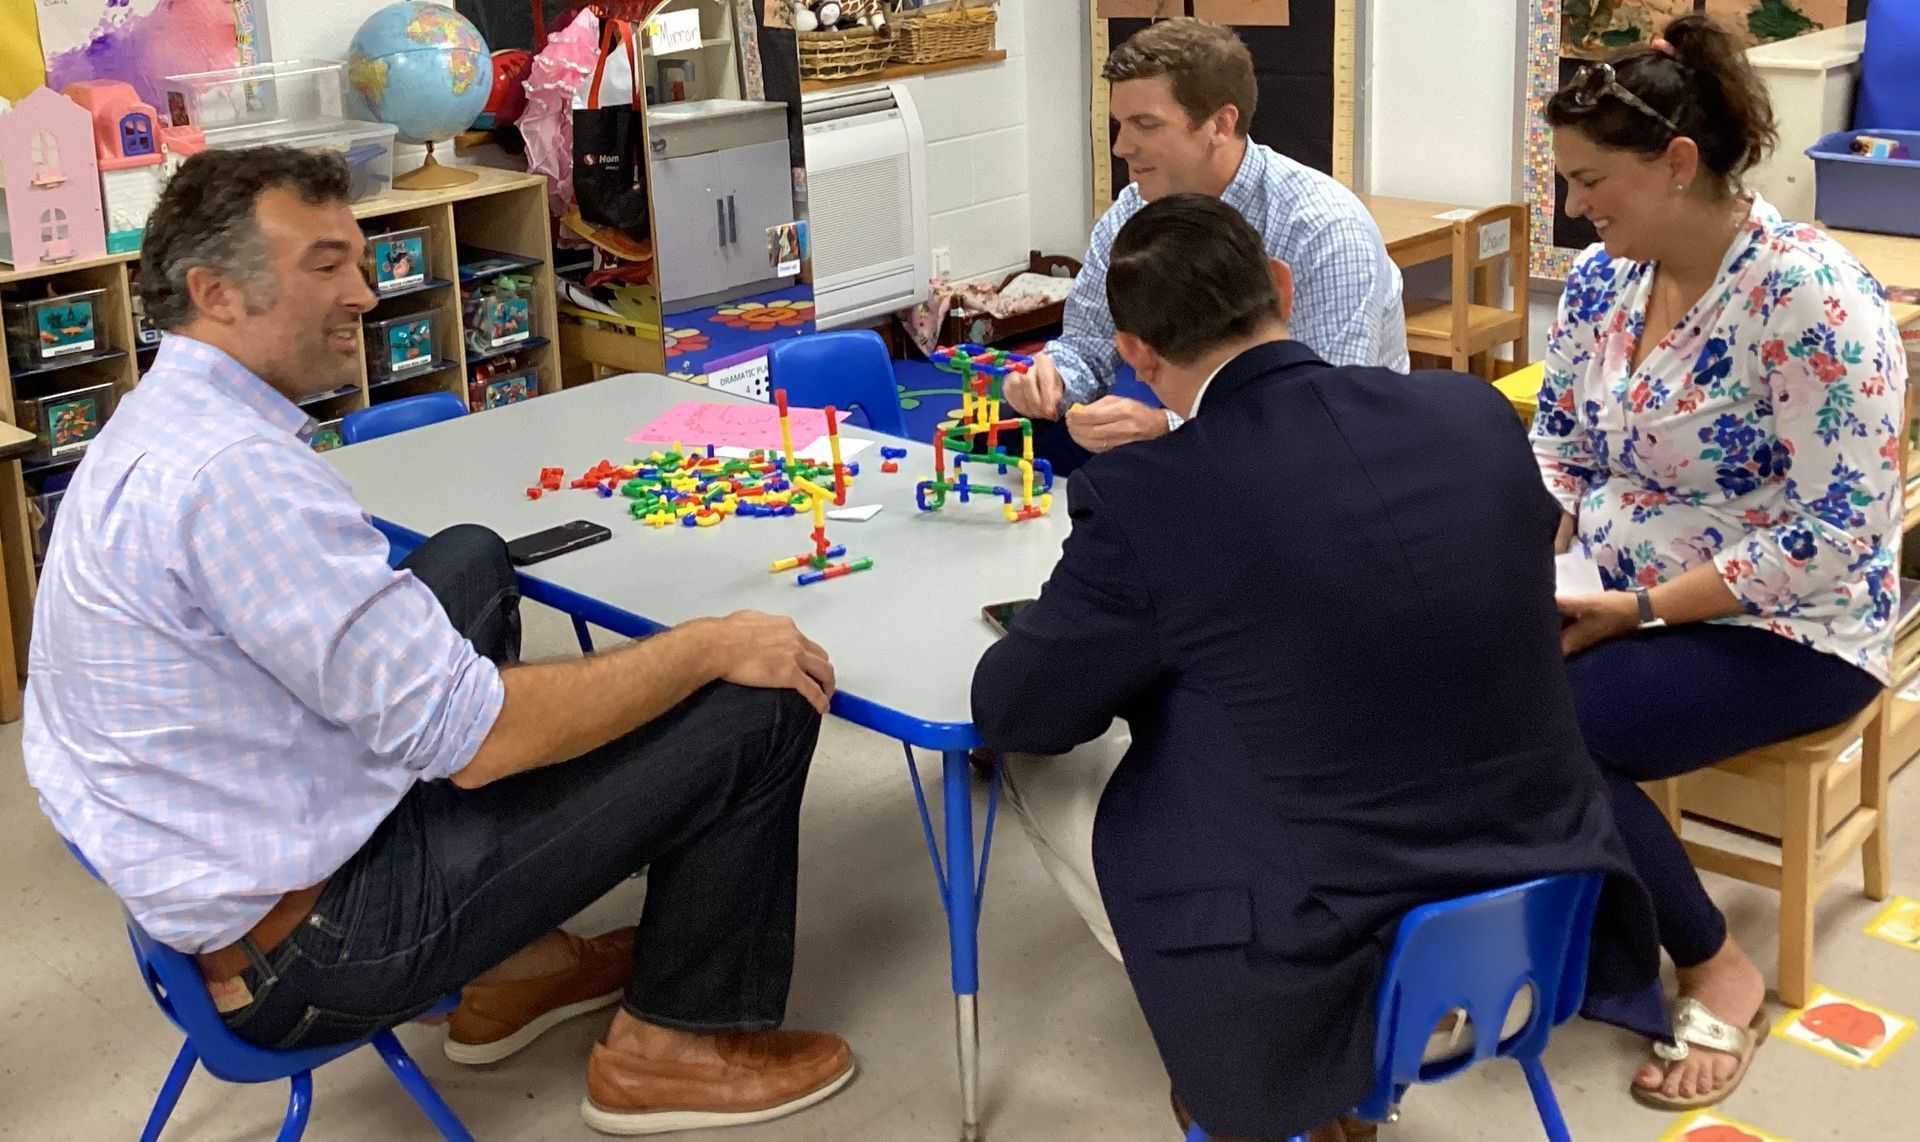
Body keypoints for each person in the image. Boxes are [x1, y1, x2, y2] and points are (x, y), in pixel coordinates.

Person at [24, 147, 856, 1137]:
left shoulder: (157, 420)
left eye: (361, 262)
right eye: (327, 265)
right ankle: (675, 1043)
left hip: (216, 877)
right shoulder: (235, 479)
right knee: (755, 695)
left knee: (466, 558)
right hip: (316, 947)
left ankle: (513, 967)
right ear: (216, 293)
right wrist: (702, 644)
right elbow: (483, 737)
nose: (367, 294)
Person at [973, 193, 1664, 1141]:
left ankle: (1246, 1055)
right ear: (1282, 292)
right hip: (1545, 894)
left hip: (1319, 944)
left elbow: (1020, 714)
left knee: (1051, 769)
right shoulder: (1472, 414)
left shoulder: (1148, 495)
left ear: (1132, 352)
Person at [1537, 15, 1905, 1112]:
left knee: (1554, 723)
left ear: (1680, 164)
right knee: (1459, 670)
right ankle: (1540, 921)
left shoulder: (1812, 300)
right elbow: (1560, 437)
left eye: (1593, 179)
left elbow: (1834, 533)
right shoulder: (1610, 283)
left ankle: (1712, 960)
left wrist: (1640, 607)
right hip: (1617, 586)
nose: (1575, 206)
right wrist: (1516, 552)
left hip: (1791, 625)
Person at [1001, 17, 1407, 458]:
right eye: (1119, 124)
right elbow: (1086, 343)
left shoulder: (1323, 229)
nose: (1121, 147)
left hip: (1344, 461)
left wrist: (1168, 426)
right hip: (1218, 455)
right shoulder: (1132, 214)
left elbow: (1324, 406)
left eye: (1146, 124)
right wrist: (1050, 379)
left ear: (1220, 124)